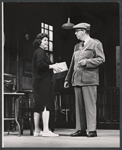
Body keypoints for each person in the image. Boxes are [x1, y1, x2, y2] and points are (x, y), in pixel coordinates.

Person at [64, 23, 105, 137]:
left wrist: (87, 62)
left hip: (89, 79)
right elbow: (73, 64)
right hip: (77, 79)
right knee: (79, 106)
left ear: (83, 31)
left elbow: (101, 59)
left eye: (77, 31)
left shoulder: (96, 44)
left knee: (90, 105)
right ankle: (80, 129)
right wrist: (68, 78)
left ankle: (92, 130)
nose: (75, 33)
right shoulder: (76, 46)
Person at [32, 33, 61, 137]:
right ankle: (45, 130)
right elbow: (40, 65)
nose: (46, 42)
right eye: (44, 40)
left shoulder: (38, 52)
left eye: (47, 40)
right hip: (43, 82)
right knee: (46, 105)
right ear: (39, 41)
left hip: (39, 82)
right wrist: (53, 66)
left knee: (38, 105)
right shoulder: (40, 52)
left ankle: (36, 131)